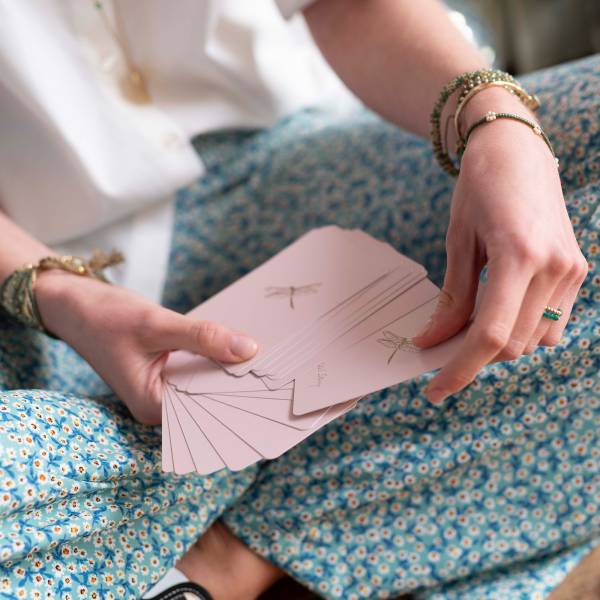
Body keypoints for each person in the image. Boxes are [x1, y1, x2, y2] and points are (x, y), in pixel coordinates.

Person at [0, 1, 598, 598]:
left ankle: (221, 559)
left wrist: (496, 123)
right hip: (48, 276)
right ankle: (359, 498)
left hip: (296, 159)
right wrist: (58, 293)